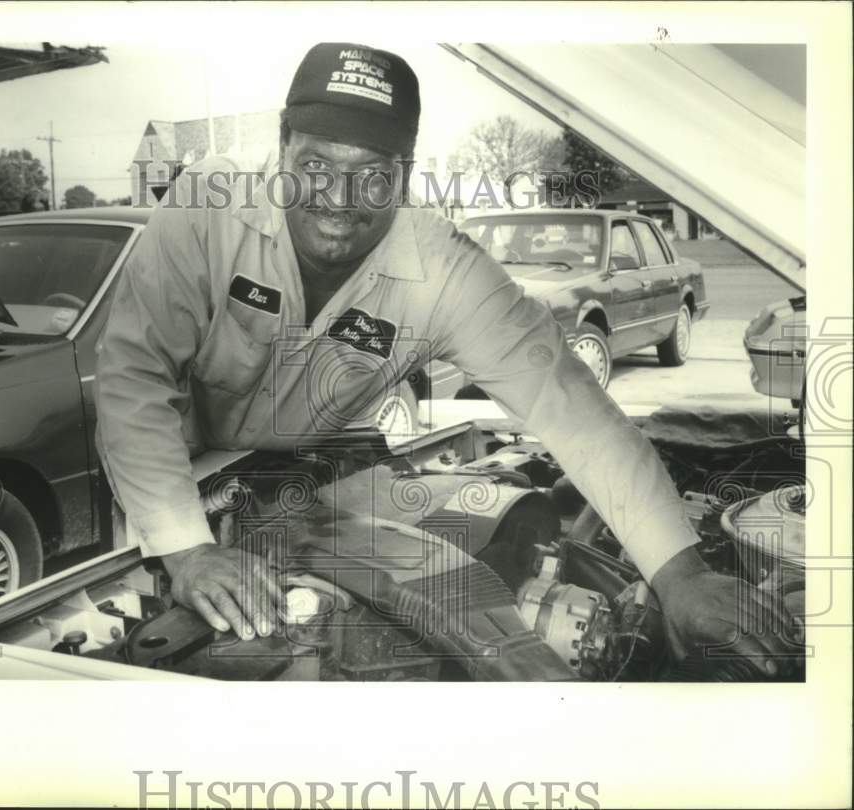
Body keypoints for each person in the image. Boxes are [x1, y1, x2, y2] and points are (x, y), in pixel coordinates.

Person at [95, 43, 797, 673]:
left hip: (305, 482)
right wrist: (186, 552)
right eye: (315, 165)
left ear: (404, 175)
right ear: (280, 147)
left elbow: (571, 408)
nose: (339, 200)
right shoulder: (205, 210)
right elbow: (132, 377)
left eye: (371, 175)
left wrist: (681, 577)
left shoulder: (445, 271)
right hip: (160, 495)